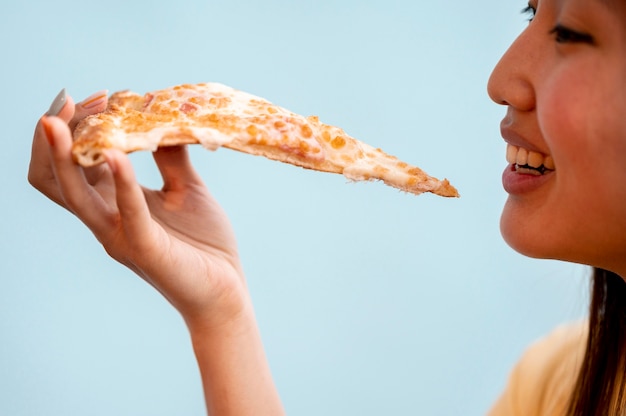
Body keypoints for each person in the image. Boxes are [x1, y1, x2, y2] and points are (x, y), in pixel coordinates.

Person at [28, 0, 626, 414]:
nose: (502, 79)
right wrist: (221, 316)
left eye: (570, 33)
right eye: (530, 11)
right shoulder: (564, 383)